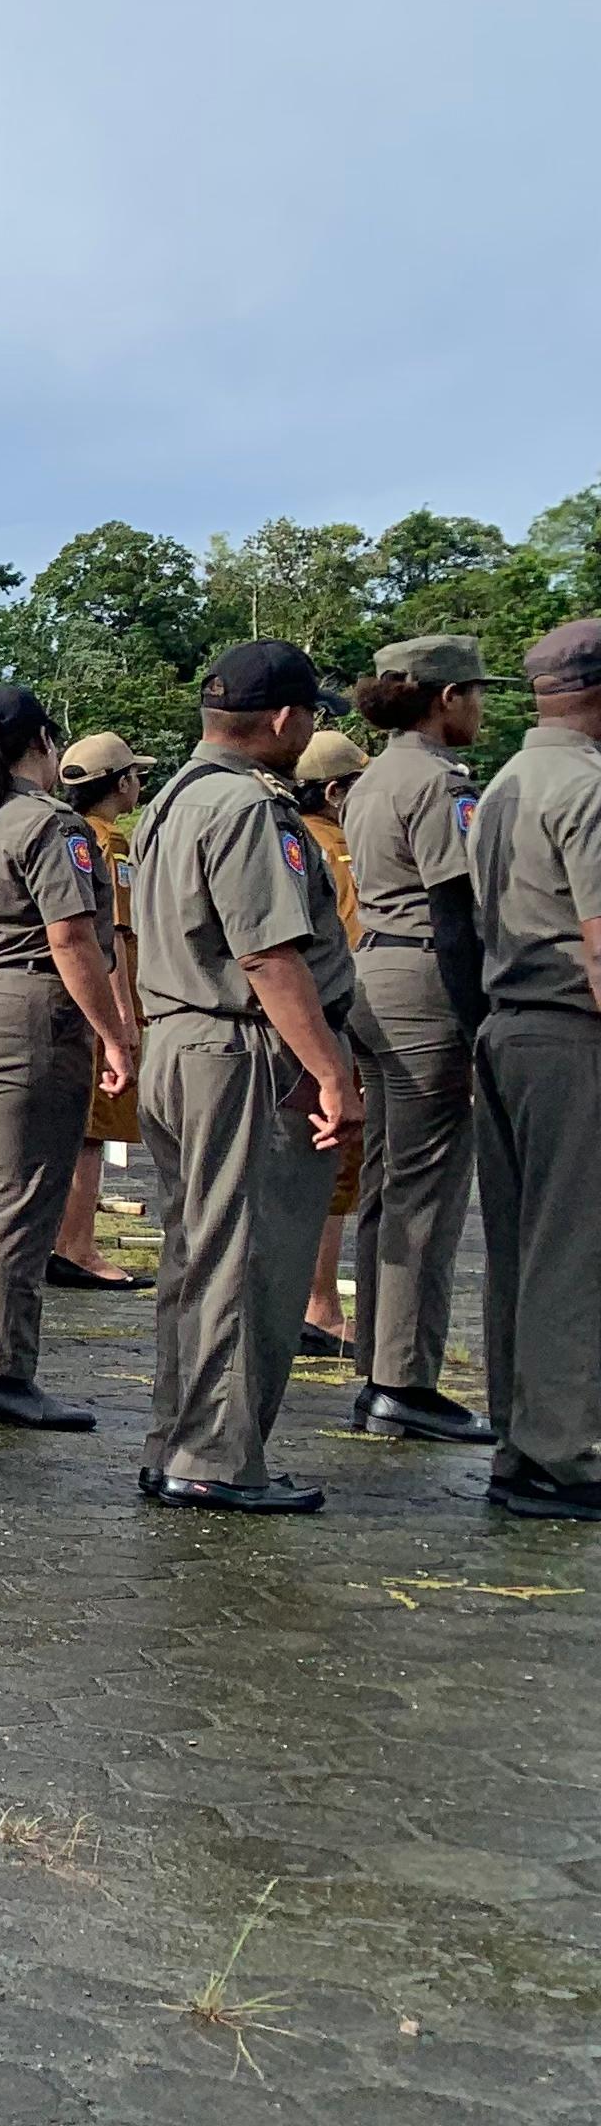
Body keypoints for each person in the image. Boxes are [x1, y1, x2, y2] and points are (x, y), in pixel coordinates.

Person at [129, 640, 362, 1513]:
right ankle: (217, 1460)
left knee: (198, 1256)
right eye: (311, 716)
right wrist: (330, 1071)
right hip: (243, 1049)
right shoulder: (248, 808)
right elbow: (268, 953)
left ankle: (179, 1442)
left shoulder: (174, 798)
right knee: (245, 1261)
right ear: (282, 718)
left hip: (183, 1042)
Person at [0, 686, 136, 1431]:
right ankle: (1, 1371)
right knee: (23, 1205)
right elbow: (72, 938)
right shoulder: (51, 824)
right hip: (26, 1016)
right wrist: (115, 1032)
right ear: (45, 743)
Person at [336, 636, 498, 1442]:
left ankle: (379, 1366)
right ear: (444, 697)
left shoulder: (373, 776)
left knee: (388, 1185)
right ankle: (404, 1379)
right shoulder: (440, 783)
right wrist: (479, 1026)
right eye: (475, 691)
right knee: (427, 1193)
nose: (481, 706)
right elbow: (455, 912)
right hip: (426, 985)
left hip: (374, 976)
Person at [470, 619, 601, 1518]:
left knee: (520, 1251)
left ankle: (524, 1441)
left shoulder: (510, 779)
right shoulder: (587, 786)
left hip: (509, 1026)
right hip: (569, 1033)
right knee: (576, 1252)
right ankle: (566, 1451)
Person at [51, 740, 150, 1286]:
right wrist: (121, 1020)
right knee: (94, 1127)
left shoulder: (76, 836)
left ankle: (65, 1238)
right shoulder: (104, 843)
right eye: (135, 775)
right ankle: (77, 1245)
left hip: (82, 1000)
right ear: (119, 783)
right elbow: (108, 934)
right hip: (105, 1001)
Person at [287, 729, 373, 1360]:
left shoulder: (284, 836)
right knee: (336, 1171)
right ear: (336, 792)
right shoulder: (339, 852)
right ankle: (320, 1304)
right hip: (332, 1029)